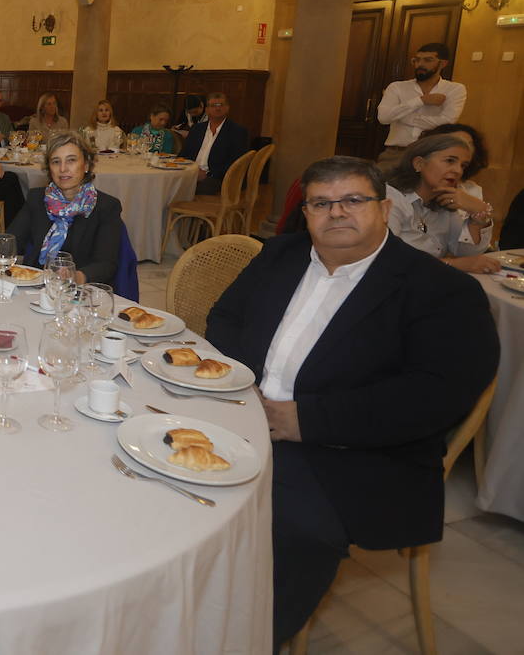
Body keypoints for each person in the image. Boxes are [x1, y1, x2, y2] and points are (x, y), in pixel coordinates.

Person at [206, 155, 498, 647]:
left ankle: (244, 639)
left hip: (350, 453)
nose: (336, 212)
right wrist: (241, 383)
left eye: (353, 200)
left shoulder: (440, 290)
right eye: (321, 203)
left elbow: (436, 393)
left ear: (384, 209)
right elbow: (225, 318)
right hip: (243, 416)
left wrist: (306, 420)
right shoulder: (280, 254)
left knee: (282, 528)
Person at [8, 131, 123, 283]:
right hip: (35, 285)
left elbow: (106, 264)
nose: (63, 169)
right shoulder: (37, 198)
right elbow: (11, 240)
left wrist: (76, 277)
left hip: (81, 292)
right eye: (56, 161)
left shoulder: (106, 207)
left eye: (71, 160)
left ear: (86, 165)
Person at [385, 133, 499, 274]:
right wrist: (452, 264)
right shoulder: (390, 199)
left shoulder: (443, 202)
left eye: (463, 165)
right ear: (419, 164)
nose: (458, 171)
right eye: (450, 161)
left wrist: (479, 212)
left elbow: (466, 254)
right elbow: (386, 260)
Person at [375, 43, 465, 172]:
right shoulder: (396, 87)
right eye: (417, 60)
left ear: (443, 64)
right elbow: (383, 118)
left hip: (433, 156)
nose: (420, 64)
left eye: (428, 60)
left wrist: (402, 117)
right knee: (382, 190)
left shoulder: (455, 89)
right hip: (395, 154)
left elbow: (447, 123)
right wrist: (420, 100)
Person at [178, 92, 248, 195]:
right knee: (168, 184)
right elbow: (184, 155)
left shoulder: (238, 132)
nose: (217, 108)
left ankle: (188, 210)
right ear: (206, 109)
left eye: (221, 105)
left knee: (194, 189)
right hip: (191, 173)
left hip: (218, 178)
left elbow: (236, 163)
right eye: (213, 105)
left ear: (227, 108)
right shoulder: (196, 129)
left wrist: (208, 174)